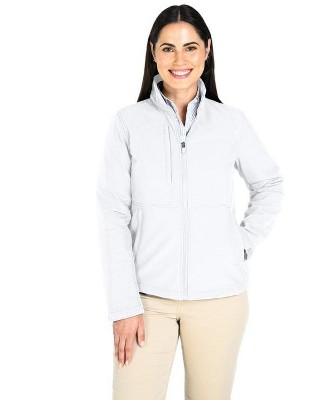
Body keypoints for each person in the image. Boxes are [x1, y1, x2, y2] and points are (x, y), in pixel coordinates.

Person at [96, 4, 284, 399]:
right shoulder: (128, 123)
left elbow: (269, 183)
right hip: (147, 301)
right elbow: (113, 215)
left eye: (190, 47)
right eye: (168, 48)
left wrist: (240, 243)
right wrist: (123, 306)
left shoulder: (230, 122)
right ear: (153, 52)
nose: (179, 60)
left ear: (207, 50)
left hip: (220, 300)